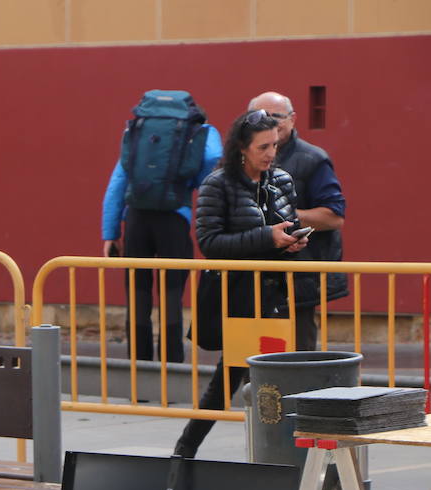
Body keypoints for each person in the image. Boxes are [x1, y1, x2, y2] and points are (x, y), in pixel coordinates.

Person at [172, 110, 312, 458]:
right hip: (237, 296)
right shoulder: (216, 184)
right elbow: (210, 243)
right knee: (233, 378)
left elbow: (285, 227)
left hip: (276, 294)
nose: (270, 154)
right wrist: (268, 237)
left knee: (266, 379)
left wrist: (291, 243)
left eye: (275, 146)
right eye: (263, 146)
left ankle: (193, 450)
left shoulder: (281, 180)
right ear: (242, 149)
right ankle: (188, 450)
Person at [101, 93, 222, 363]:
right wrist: (193, 182)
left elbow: (118, 180)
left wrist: (110, 233)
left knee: (138, 296)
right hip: (174, 218)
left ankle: (138, 371)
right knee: (171, 296)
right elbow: (214, 156)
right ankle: (171, 368)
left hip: (136, 219)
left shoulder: (137, 128)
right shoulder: (199, 129)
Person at [248, 90, 347, 304]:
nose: (268, 122)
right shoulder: (236, 160)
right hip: (248, 276)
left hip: (298, 277)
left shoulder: (313, 159)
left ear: (292, 120)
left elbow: (334, 218)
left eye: (276, 117)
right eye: (260, 116)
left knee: (297, 337)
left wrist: (280, 218)